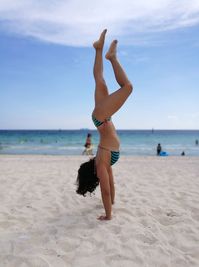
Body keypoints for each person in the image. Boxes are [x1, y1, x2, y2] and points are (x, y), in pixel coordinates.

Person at [76, 29, 133, 220]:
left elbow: (105, 191)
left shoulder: (100, 164)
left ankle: (112, 57)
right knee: (100, 80)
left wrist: (108, 215)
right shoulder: (103, 164)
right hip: (102, 119)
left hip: (102, 118)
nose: (102, 179)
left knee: (128, 88)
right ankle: (98, 50)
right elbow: (111, 187)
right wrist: (113, 204)